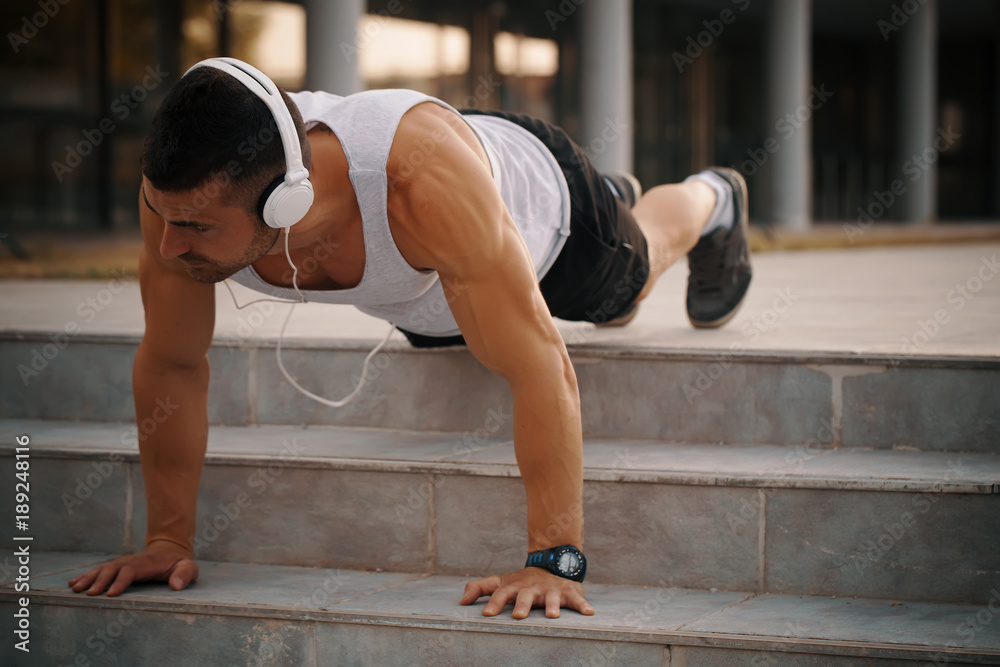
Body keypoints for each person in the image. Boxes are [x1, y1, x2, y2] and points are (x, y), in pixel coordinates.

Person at [68, 58, 751, 620]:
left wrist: (554, 558)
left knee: (630, 284)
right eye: (161, 215)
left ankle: (710, 195)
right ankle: (615, 197)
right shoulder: (182, 196)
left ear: (287, 202)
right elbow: (174, 364)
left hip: (548, 216)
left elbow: (541, 365)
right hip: (435, 291)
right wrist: (166, 538)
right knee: (479, 315)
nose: (166, 243)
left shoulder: (416, 185)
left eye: (193, 229)